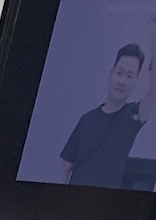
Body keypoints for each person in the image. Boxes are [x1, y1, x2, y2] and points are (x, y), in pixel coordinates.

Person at [58, 38, 153, 189]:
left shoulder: (133, 116)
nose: (122, 81)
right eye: (119, 73)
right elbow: (65, 167)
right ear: (111, 73)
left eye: (129, 76)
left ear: (136, 81)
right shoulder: (86, 119)